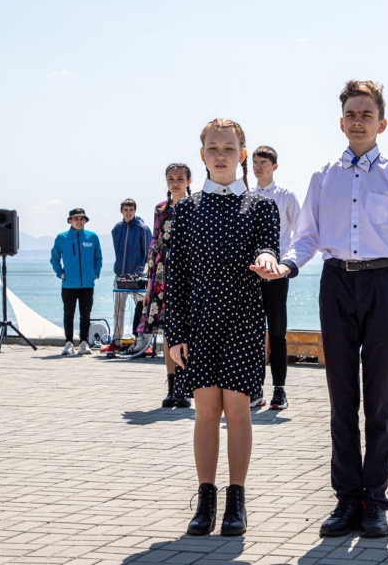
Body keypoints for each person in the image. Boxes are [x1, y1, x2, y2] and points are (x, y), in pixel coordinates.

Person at [255, 80, 388, 538]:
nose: (358, 121)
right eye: (351, 114)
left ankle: (375, 502)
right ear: (340, 121)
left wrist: (380, 267)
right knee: (341, 398)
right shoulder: (323, 176)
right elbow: (307, 236)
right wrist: (287, 264)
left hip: (381, 286)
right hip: (334, 284)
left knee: (379, 399)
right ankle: (347, 499)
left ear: (381, 123)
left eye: (366, 114)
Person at [166, 118, 280, 536]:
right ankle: (205, 500)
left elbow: (269, 245)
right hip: (199, 322)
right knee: (205, 412)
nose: (220, 155)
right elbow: (175, 277)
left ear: (242, 154)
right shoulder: (185, 210)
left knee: (238, 410)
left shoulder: (261, 206)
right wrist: (175, 334)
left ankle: (237, 501)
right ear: (202, 155)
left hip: (243, 319)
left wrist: (267, 257)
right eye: (213, 148)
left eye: (229, 148)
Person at [135, 163, 193, 408]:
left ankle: (186, 386)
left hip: (189, 273)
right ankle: (172, 387)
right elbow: (155, 243)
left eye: (180, 178)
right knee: (170, 330)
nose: (175, 183)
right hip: (163, 273)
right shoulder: (161, 209)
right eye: (171, 179)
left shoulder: (197, 206)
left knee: (188, 330)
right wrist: (150, 281)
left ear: (189, 181)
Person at [250, 146, 300, 410]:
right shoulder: (246, 197)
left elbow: (300, 234)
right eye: (255, 162)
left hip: (278, 273)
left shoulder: (286, 196)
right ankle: (254, 389)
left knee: (278, 332)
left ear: (275, 166)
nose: (258, 167)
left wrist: (285, 265)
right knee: (253, 333)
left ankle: (279, 390)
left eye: (264, 162)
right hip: (251, 275)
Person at [51, 208, 103, 355]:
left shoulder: (92, 237)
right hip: (69, 284)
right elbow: (54, 258)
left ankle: (83, 343)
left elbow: (98, 257)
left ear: (85, 221)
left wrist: (95, 273)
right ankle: (68, 343)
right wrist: (60, 273)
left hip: (87, 284)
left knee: (85, 315)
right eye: (76, 219)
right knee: (68, 314)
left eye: (81, 219)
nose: (79, 221)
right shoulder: (62, 238)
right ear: (70, 221)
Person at [111, 199, 151, 348]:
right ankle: (116, 341)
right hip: (120, 276)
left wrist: (146, 275)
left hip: (138, 278)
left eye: (131, 210)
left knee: (141, 309)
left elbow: (148, 255)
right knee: (118, 310)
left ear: (135, 211)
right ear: (121, 211)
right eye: (126, 210)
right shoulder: (116, 229)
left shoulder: (143, 229)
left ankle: (142, 341)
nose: (128, 213)